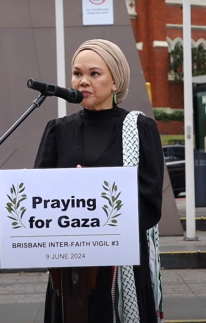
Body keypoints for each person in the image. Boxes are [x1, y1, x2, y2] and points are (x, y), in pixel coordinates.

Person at [34, 39, 164, 323]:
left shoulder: (140, 129)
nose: (83, 81)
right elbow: (38, 197)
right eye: (77, 73)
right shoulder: (58, 130)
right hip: (68, 270)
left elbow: (150, 202)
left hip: (120, 265)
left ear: (116, 81)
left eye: (94, 74)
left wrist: (95, 193)